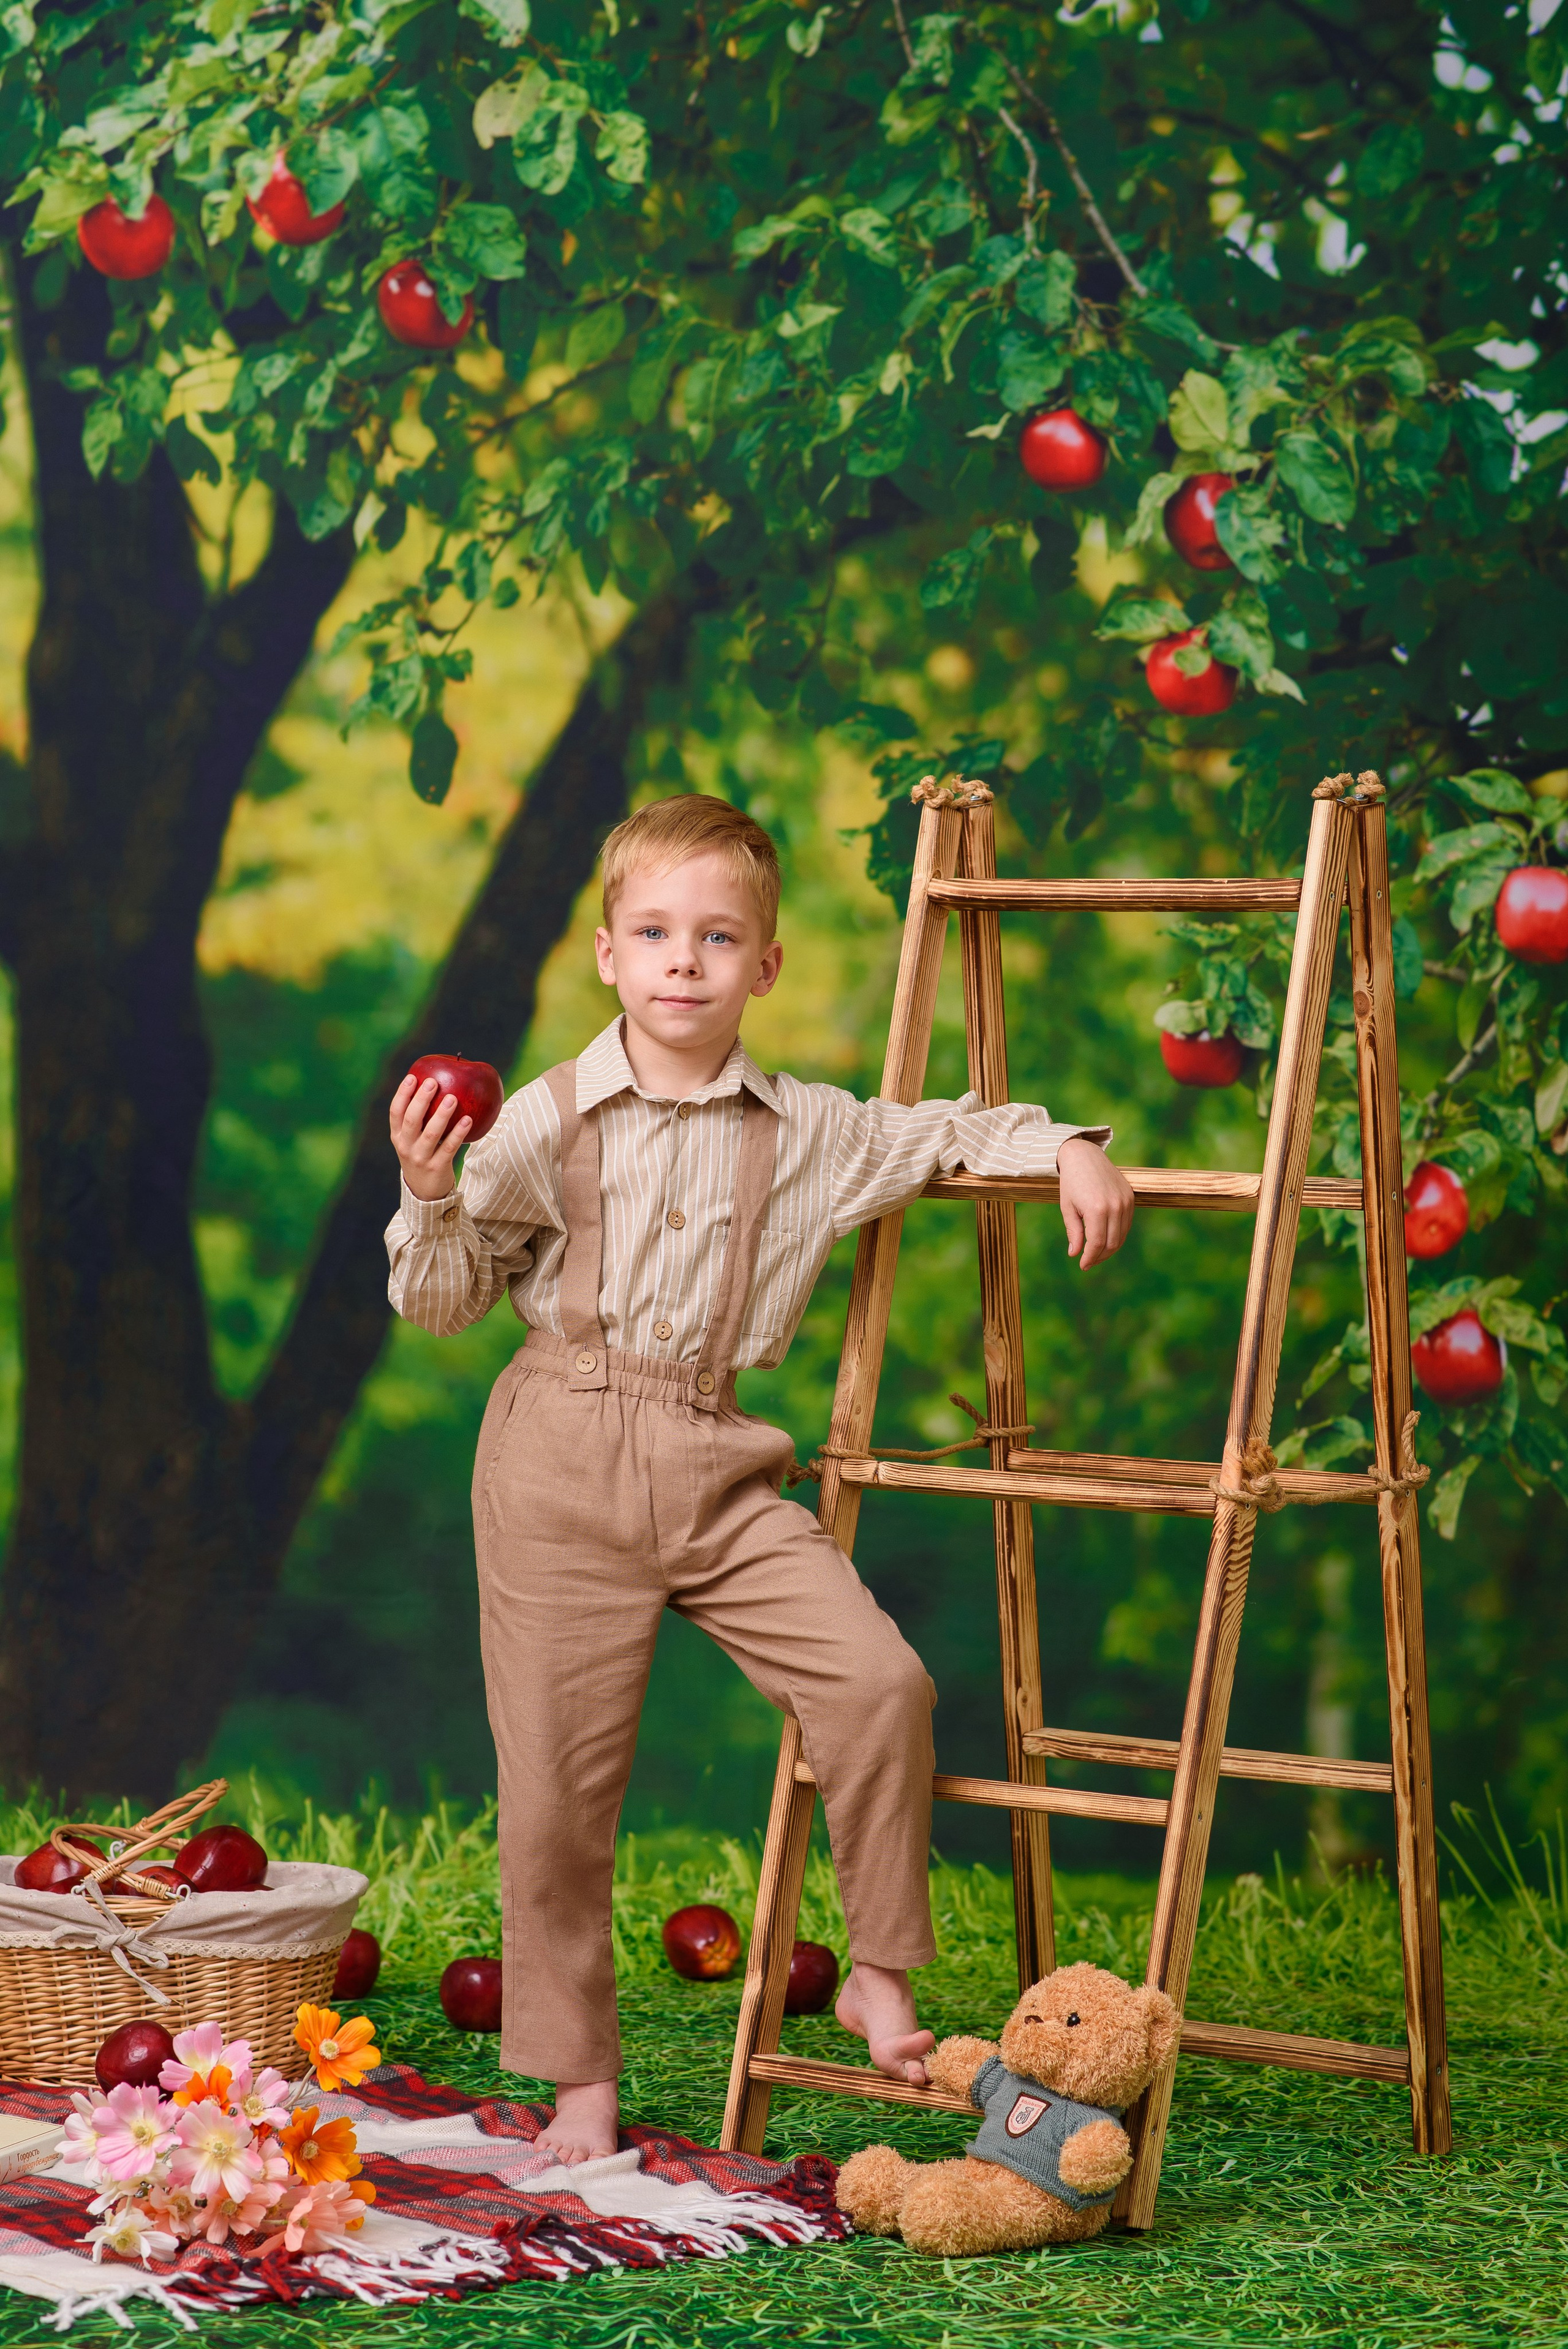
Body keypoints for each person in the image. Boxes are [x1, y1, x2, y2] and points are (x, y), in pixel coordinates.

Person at [385, 793, 1134, 2164]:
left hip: (718, 1463)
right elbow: (442, 1304)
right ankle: (577, 2081)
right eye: (654, 933)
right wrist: (428, 1192)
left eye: (718, 937)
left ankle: (876, 1969)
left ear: (765, 966)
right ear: (607, 953)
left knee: (879, 1683)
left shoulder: (813, 1131)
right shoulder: (543, 1119)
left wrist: (1069, 1147)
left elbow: (952, 1131)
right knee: (554, 1798)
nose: (684, 960)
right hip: (557, 1460)